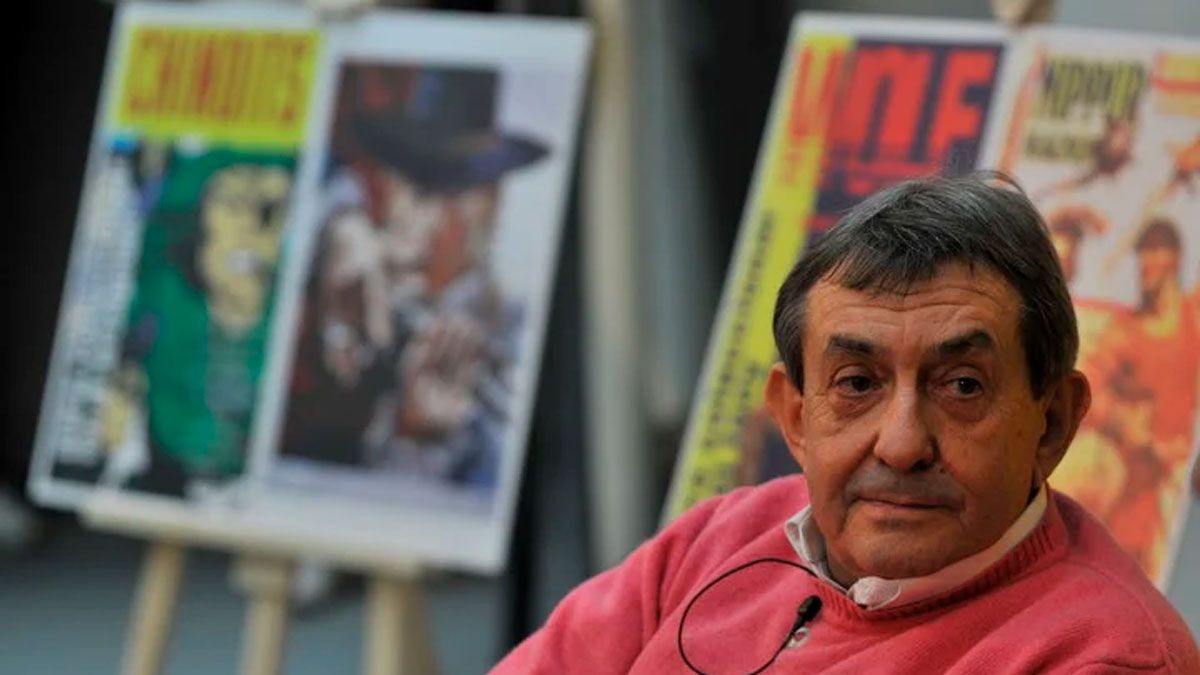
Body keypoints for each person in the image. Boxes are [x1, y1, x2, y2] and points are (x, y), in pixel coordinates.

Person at [492, 173, 1198, 674]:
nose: (902, 444)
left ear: (1053, 423)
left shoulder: (1099, 656)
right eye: (857, 384)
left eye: (962, 386)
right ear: (796, 416)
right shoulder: (715, 543)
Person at [280, 66, 547, 489]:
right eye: (416, 191)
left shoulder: (515, 339)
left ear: (491, 206)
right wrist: (336, 226)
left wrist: (421, 442)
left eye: (455, 193)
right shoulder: (348, 265)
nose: (430, 226)